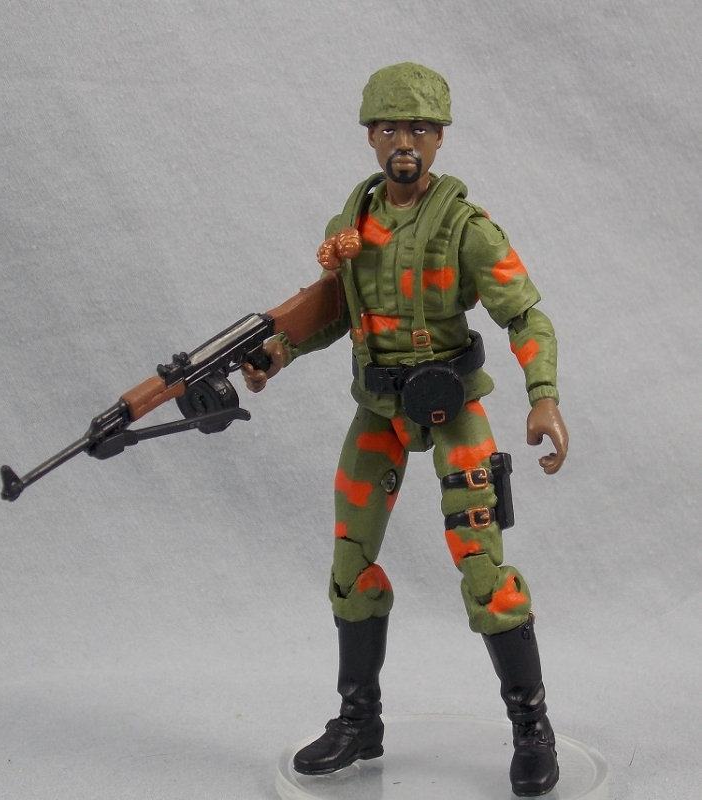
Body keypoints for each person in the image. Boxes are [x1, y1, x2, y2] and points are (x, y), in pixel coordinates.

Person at [242, 62, 568, 797]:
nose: (404, 142)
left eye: (419, 128)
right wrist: (278, 352)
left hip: (453, 406)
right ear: (369, 136)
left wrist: (543, 396)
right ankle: (359, 721)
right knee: (349, 565)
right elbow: (334, 311)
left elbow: (525, 315)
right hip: (379, 409)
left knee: (483, 568)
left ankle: (532, 726)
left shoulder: (465, 228)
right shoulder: (349, 230)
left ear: (440, 138)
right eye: (389, 128)